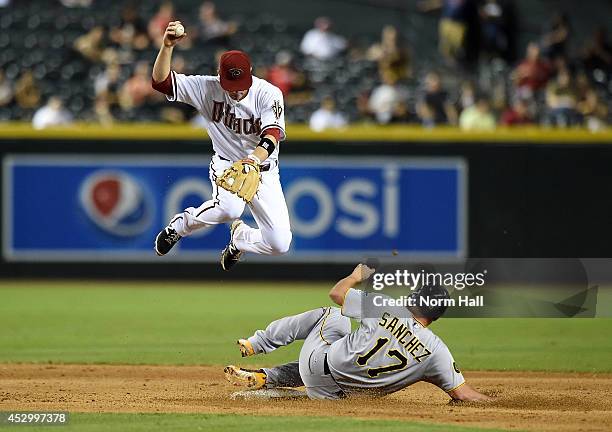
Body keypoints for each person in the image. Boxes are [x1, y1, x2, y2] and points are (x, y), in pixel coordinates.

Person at [225, 264, 492, 402]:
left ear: (415, 299)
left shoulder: (388, 306)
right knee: (324, 381)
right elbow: (463, 395)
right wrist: (496, 402)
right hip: (338, 396)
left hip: (318, 365)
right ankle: (264, 383)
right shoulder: (437, 352)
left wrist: (355, 276)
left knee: (332, 317)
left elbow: (336, 294)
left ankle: (256, 343)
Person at [151, 21, 292, 270]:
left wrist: (253, 161)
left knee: (280, 244)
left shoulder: (267, 93)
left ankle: (240, 239)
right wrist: (167, 46)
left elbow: (271, 135)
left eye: (241, 87)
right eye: (231, 86)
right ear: (220, 75)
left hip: (263, 168)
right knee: (229, 209)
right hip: (226, 165)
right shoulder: (207, 87)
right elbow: (161, 83)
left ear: (251, 73)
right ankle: (181, 225)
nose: (237, 93)